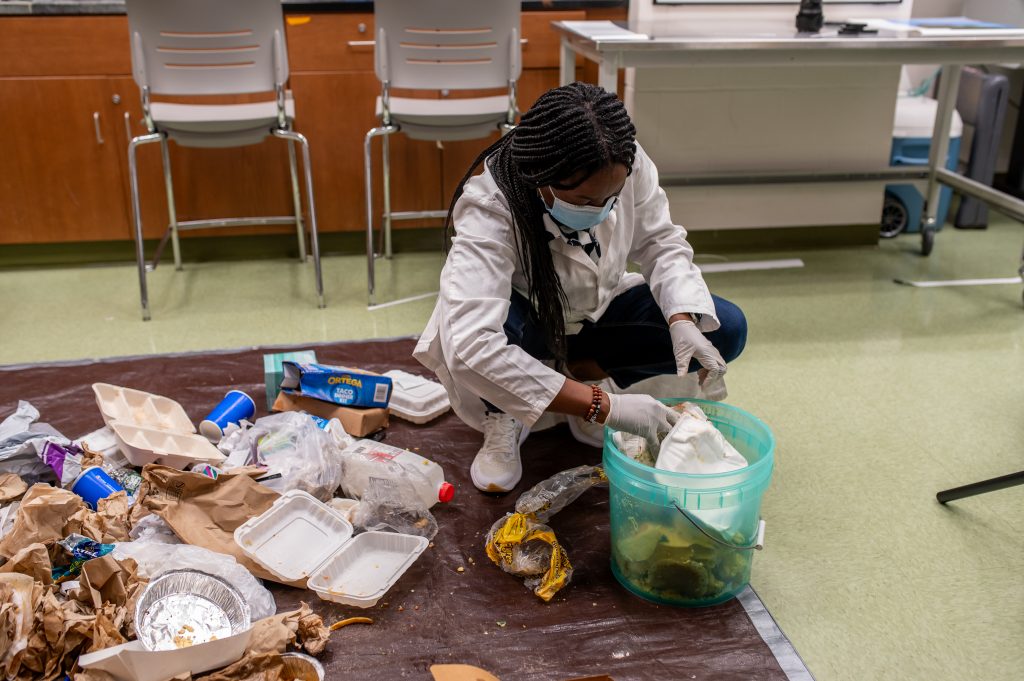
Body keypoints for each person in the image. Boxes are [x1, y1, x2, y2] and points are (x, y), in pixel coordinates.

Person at [414, 82, 747, 493]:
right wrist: (605, 407)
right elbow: (472, 346)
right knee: (477, 335)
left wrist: (681, 319)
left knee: (726, 327)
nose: (603, 209)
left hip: (594, 310)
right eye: (586, 200)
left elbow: (660, 241)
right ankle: (504, 412)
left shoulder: (623, 161)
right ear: (542, 180)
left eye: (612, 197)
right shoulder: (490, 207)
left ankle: (582, 371)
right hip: (527, 324)